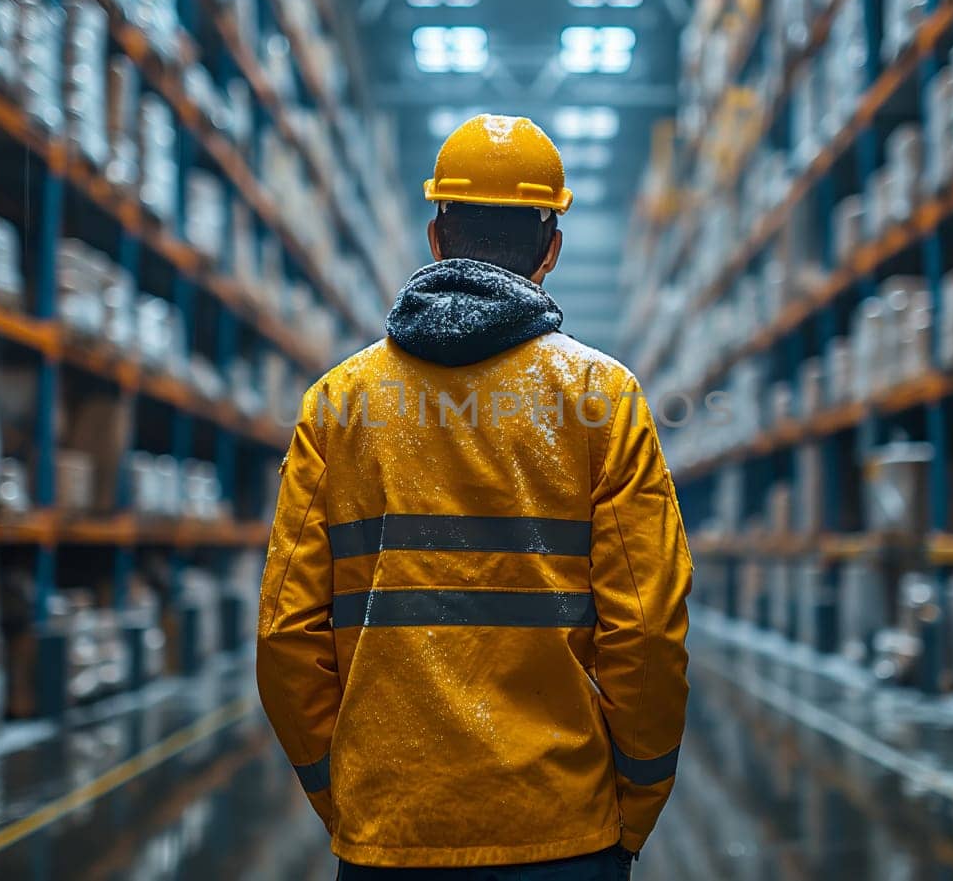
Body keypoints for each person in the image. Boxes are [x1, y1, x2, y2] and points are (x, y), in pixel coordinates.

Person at [256, 114, 692, 880]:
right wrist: (636, 801)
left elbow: (286, 636)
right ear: (551, 248)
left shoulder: (340, 403)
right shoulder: (601, 398)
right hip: (562, 833)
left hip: (390, 830)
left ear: (436, 234)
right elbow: (648, 634)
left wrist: (343, 792)